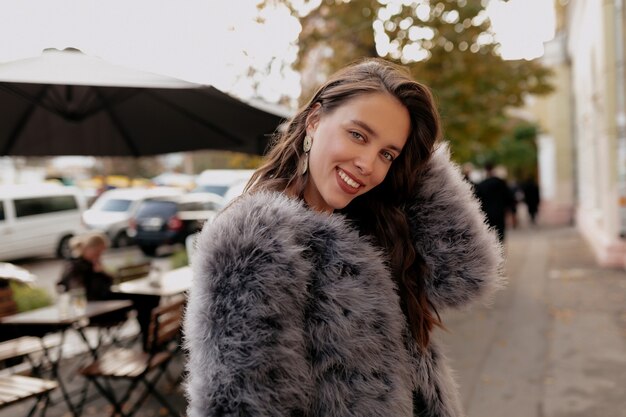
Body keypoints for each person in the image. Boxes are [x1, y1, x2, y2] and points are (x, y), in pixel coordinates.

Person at [184, 59, 504, 417]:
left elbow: (462, 275)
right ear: (315, 121)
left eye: (387, 154)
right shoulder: (255, 242)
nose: (369, 164)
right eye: (358, 135)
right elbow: (241, 406)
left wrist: (418, 162)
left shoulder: (370, 223)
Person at [57, 232, 114, 300]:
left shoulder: (91, 264)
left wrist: (102, 272)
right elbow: (85, 291)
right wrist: (98, 274)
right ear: (89, 249)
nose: (99, 256)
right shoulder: (74, 266)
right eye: (97, 252)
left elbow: (108, 285)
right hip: (86, 304)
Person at [474, 162, 516, 242]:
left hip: (486, 214)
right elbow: (509, 198)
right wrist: (513, 213)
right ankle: (500, 253)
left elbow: (477, 201)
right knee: (500, 237)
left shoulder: (482, 185)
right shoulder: (500, 183)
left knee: (489, 237)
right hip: (499, 213)